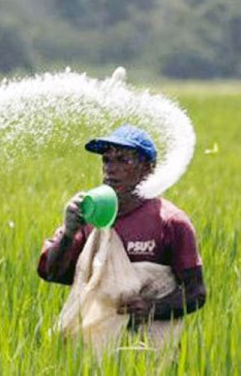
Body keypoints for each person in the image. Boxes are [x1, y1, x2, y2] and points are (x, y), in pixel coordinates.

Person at [37, 125, 206, 329]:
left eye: (123, 160)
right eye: (106, 160)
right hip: (93, 345)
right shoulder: (89, 216)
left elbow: (196, 293)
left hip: (150, 349)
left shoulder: (170, 222)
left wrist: (153, 308)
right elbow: (53, 273)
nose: (110, 168)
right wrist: (68, 233)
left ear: (148, 168)